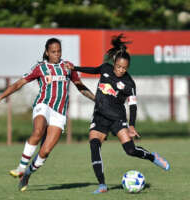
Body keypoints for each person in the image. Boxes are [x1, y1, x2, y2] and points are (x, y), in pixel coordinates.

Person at [66, 34, 170, 194]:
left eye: (124, 68)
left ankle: (153, 157)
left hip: (117, 118)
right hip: (100, 115)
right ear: (114, 63)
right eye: (119, 67)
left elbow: (133, 106)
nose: (121, 70)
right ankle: (102, 185)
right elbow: (93, 70)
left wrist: (132, 125)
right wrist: (75, 68)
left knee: (130, 150)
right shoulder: (105, 68)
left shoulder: (129, 83)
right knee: (94, 145)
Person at [0, 38, 95, 192]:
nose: (57, 54)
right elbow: (19, 83)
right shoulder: (40, 68)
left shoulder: (68, 67)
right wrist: (1, 97)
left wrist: (96, 99)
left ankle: (27, 175)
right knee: (38, 131)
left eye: (59, 51)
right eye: (53, 51)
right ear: (47, 52)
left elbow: (80, 87)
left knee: (45, 151)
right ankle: (20, 167)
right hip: (43, 105)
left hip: (59, 112)